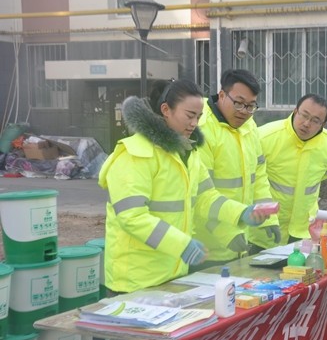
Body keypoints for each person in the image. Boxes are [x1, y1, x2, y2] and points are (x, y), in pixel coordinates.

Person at [98, 79, 267, 294]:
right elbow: (132, 217)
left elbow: (207, 198)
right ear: (166, 110)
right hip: (135, 280)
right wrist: (182, 245)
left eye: (199, 116)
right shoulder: (135, 154)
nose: (194, 123)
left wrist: (241, 213)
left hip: (174, 273)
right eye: (189, 115)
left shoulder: (188, 153)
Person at [194, 69, 281, 264]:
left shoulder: (248, 126)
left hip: (241, 241)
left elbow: (258, 176)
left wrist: (268, 218)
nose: (244, 111)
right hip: (206, 249)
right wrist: (226, 233)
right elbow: (199, 194)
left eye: (251, 106)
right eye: (239, 103)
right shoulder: (202, 130)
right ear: (222, 95)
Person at [251, 94, 327, 245]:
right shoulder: (265, 136)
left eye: (315, 121)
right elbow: (251, 180)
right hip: (267, 228)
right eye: (304, 115)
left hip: (305, 230)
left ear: (323, 124)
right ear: (295, 111)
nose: (306, 123)